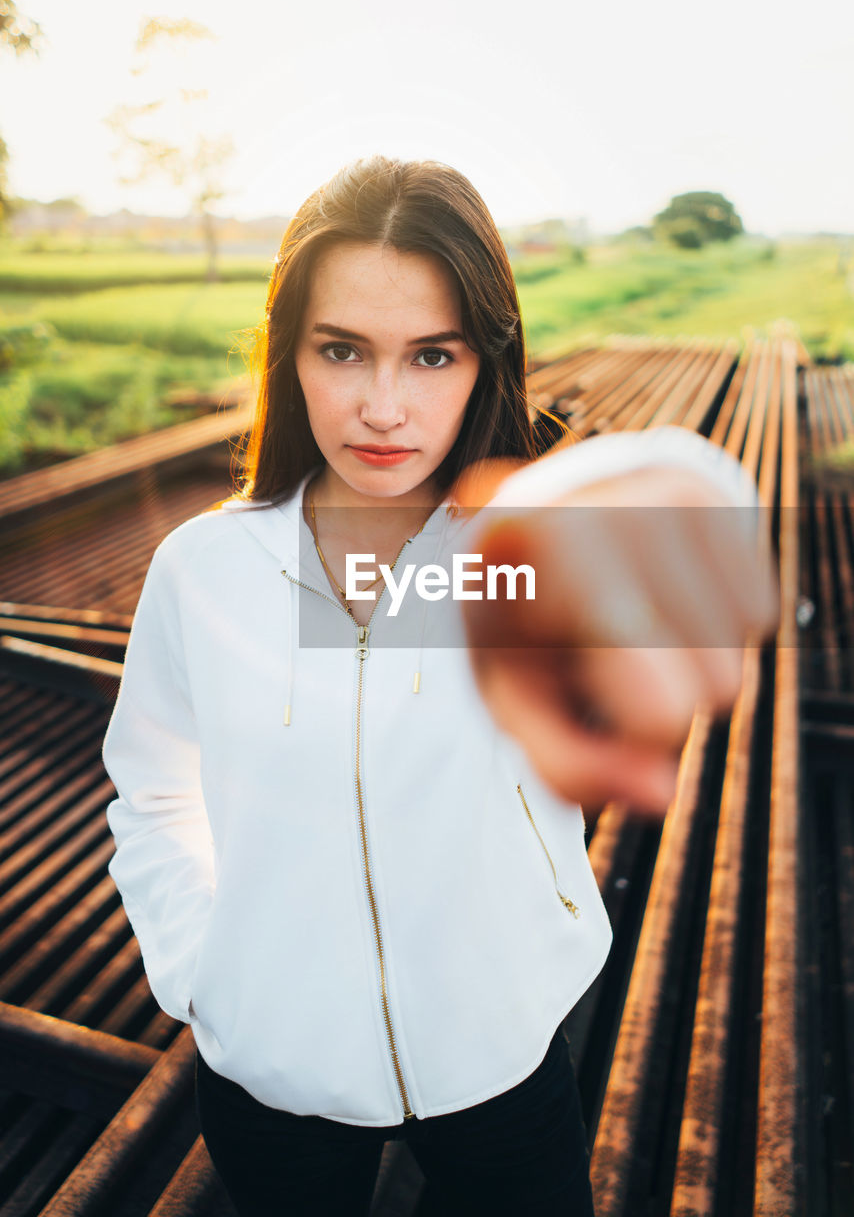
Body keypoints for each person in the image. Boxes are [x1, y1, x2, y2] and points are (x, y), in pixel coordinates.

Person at [101, 156, 777, 1216]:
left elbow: (686, 508)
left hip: (501, 1055)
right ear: (291, 355)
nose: (382, 406)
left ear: (483, 359)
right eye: (341, 351)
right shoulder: (203, 567)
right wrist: (203, 973)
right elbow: (152, 791)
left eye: (429, 355)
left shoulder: (515, 560)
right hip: (269, 1070)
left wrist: (687, 493)